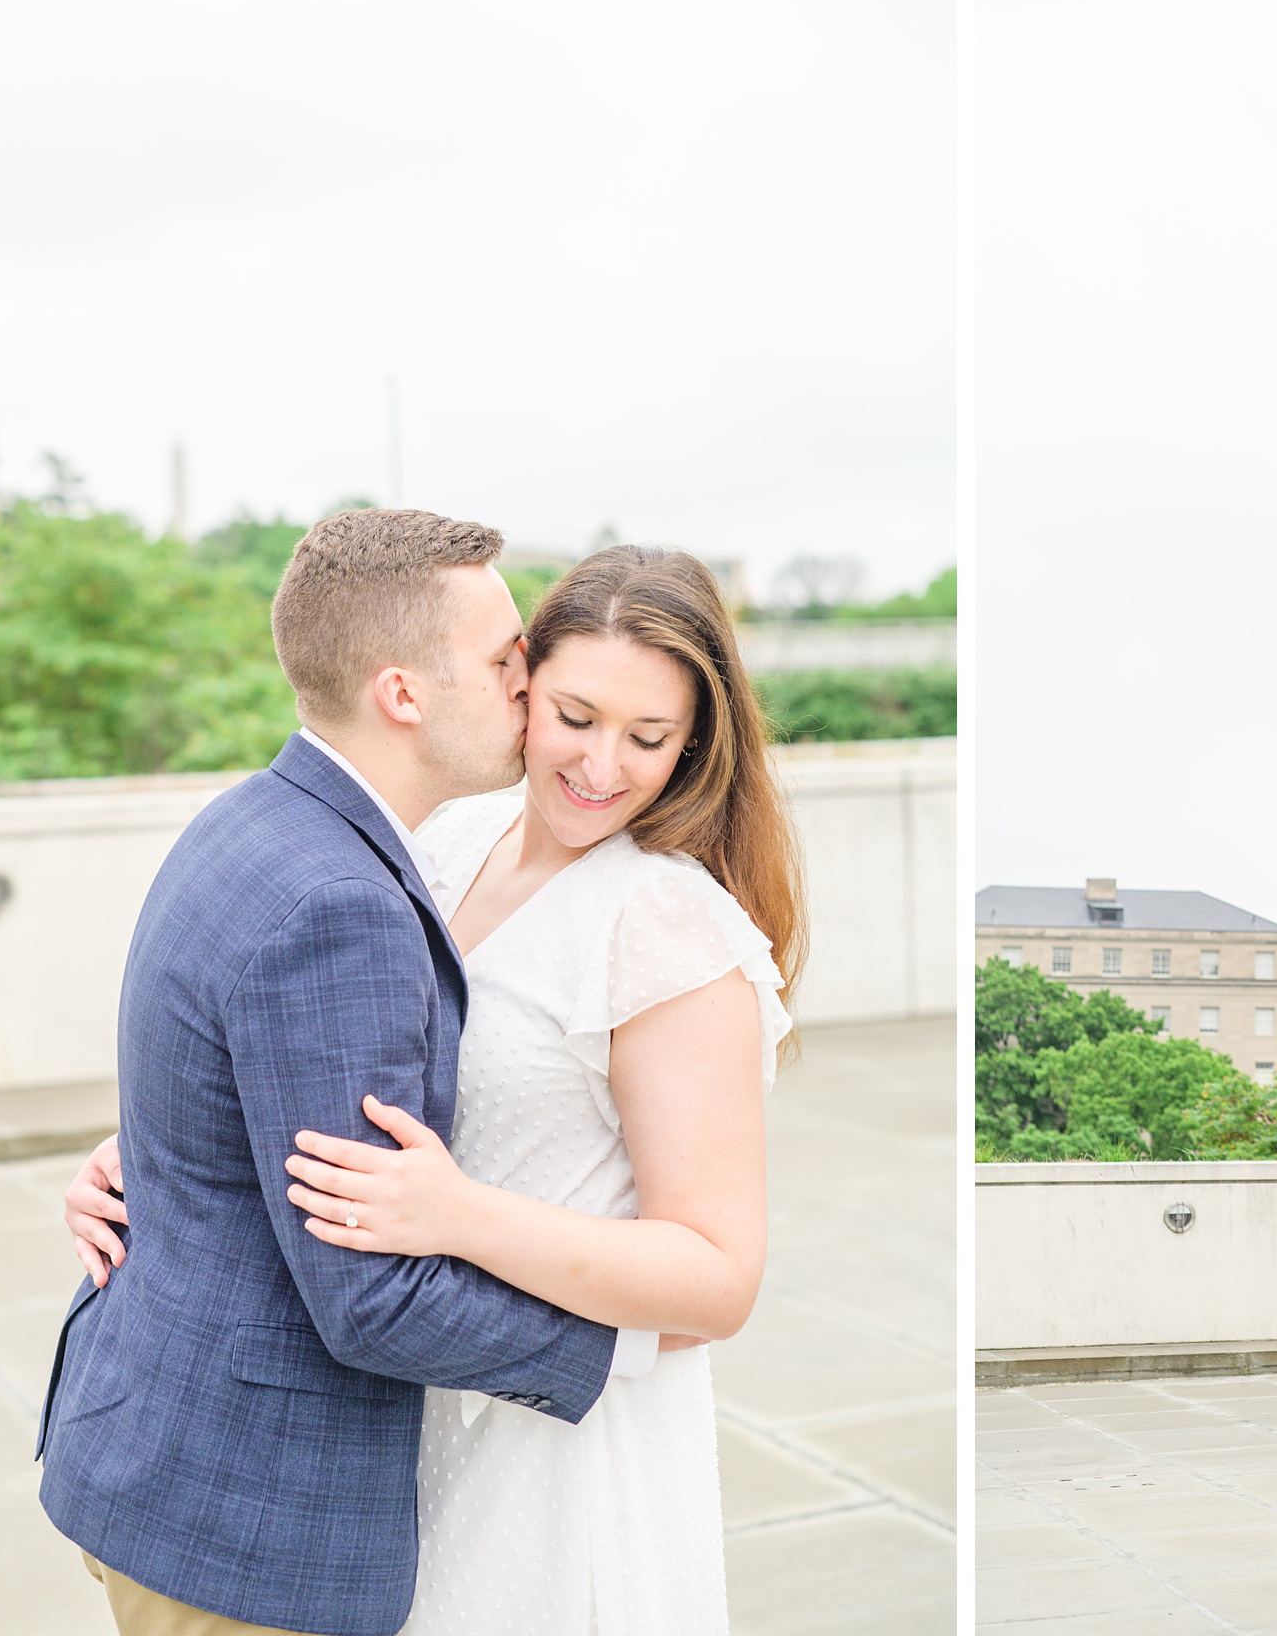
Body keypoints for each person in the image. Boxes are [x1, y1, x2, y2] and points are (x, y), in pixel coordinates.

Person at [60, 537, 802, 1636]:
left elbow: (717, 1279)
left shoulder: (665, 926)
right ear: (520, 687)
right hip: (397, 1410)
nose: (602, 765)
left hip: (551, 1444)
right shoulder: (451, 838)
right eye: (574, 714)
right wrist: (175, 1157)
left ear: (696, 746)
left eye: (651, 737)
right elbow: (321, 1065)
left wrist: (463, 1215)